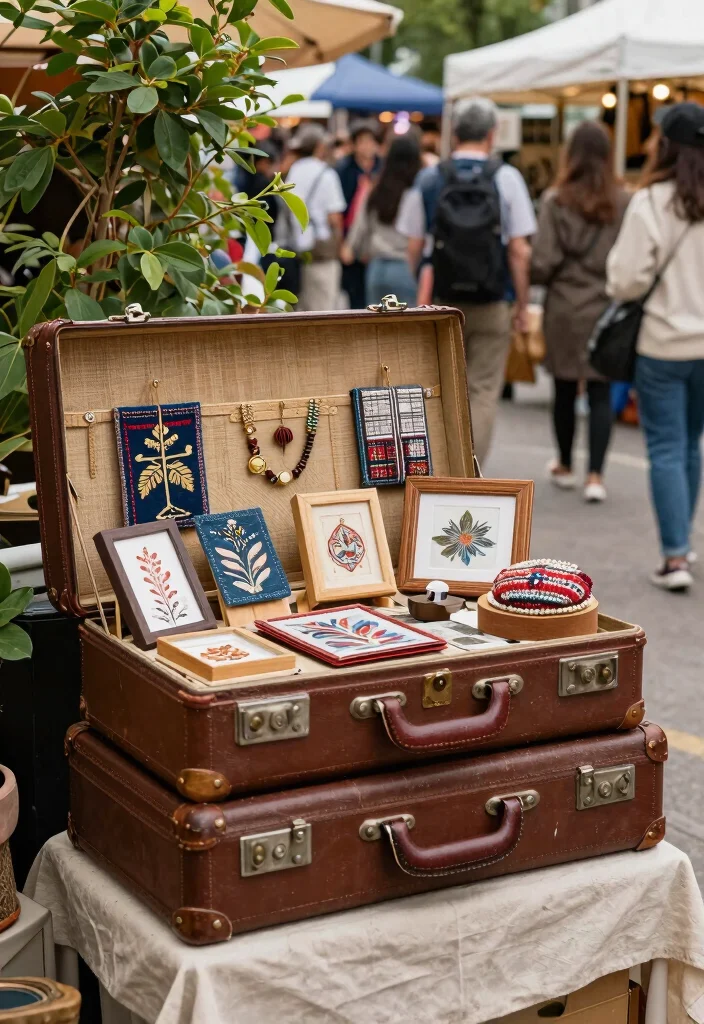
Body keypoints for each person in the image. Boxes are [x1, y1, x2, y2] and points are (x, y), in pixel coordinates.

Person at [397, 98, 537, 465]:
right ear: (492, 134)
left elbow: (412, 245)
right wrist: (521, 305)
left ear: (454, 133)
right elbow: (520, 251)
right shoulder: (507, 177)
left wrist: (423, 280)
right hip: (493, 300)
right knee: (484, 390)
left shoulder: (430, 177)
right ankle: (471, 472)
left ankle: (441, 466)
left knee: (441, 387)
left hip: (442, 301)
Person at [607, 102, 704, 592]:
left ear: (665, 144)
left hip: (663, 343)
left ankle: (675, 555)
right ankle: (682, 543)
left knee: (666, 446)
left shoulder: (651, 202)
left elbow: (626, 281)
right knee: (690, 444)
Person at [531, 121, 631, 503]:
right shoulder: (624, 201)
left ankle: (566, 464)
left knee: (564, 387)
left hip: (564, 307)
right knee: (602, 390)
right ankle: (596, 476)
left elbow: (542, 261)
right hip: (607, 307)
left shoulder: (557, 200)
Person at [341, 135, 422, 307]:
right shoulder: (415, 192)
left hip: (376, 267)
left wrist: (353, 248)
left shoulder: (376, 189)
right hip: (404, 266)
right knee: (407, 327)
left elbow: (361, 224)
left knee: (377, 327)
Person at [278, 124, 346, 312]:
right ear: (319, 146)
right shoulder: (326, 173)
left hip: (298, 249)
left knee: (303, 308)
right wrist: (340, 246)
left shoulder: (293, 171)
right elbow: (334, 217)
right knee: (324, 308)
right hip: (322, 250)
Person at [336, 121, 381, 308]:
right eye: (362, 141)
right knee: (355, 295)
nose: (367, 146)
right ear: (353, 145)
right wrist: (341, 243)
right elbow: (338, 209)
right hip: (349, 237)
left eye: (370, 141)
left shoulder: (383, 168)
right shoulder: (343, 170)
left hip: (376, 238)